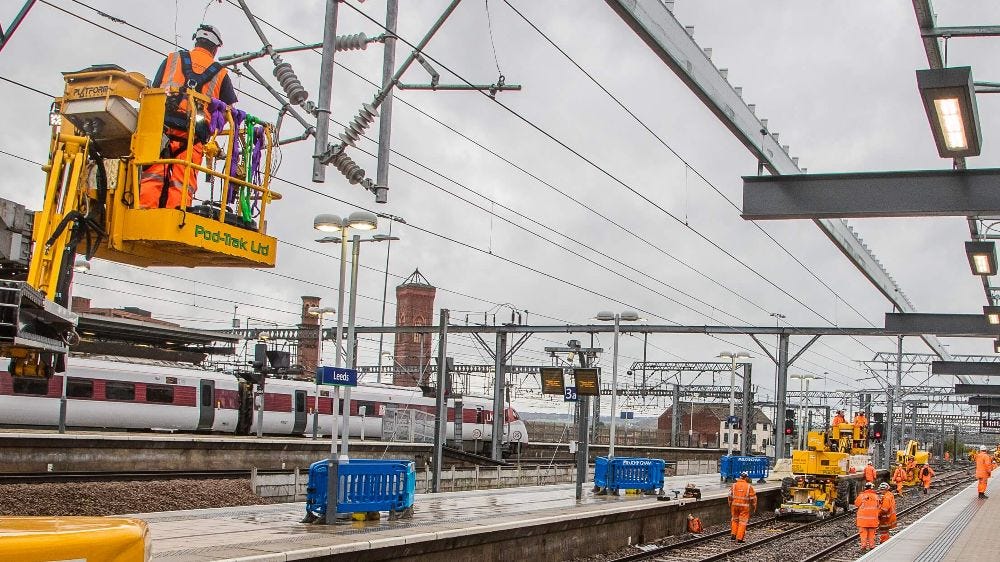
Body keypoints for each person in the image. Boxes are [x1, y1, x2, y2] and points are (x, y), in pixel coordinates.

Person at [139, 24, 238, 210]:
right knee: (182, 181)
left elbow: (154, 90)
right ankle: (176, 215)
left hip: (160, 130)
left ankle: (145, 211)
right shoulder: (221, 73)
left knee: (153, 174)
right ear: (216, 48)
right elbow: (228, 111)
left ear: (196, 41)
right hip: (193, 136)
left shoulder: (172, 59)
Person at [728, 472, 757, 543]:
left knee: (735, 520)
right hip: (744, 507)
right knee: (742, 522)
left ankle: (733, 535)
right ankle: (739, 538)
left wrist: (730, 504)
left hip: (734, 506)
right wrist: (754, 506)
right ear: (746, 478)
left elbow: (730, 496)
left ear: (740, 477)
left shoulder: (734, 485)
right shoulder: (749, 486)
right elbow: (753, 498)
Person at [855, 482, 880, 552]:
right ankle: (872, 547)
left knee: (863, 534)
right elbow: (879, 506)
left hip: (862, 520)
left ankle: (863, 547)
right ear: (872, 488)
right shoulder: (876, 497)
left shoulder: (861, 496)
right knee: (872, 534)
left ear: (865, 488)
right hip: (873, 520)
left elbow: (856, 504)